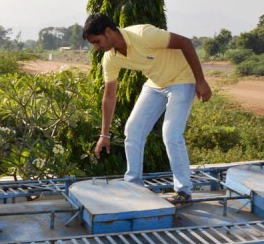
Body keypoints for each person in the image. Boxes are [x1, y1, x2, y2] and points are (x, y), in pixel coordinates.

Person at [83, 13, 212, 205]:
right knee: (133, 129)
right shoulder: (110, 58)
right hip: (155, 83)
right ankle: (134, 185)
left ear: (108, 32)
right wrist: (104, 135)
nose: (96, 47)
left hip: (182, 80)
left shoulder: (144, 34)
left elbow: (185, 43)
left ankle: (183, 191)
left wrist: (200, 81)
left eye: (97, 41)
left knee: (171, 134)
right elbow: (109, 97)